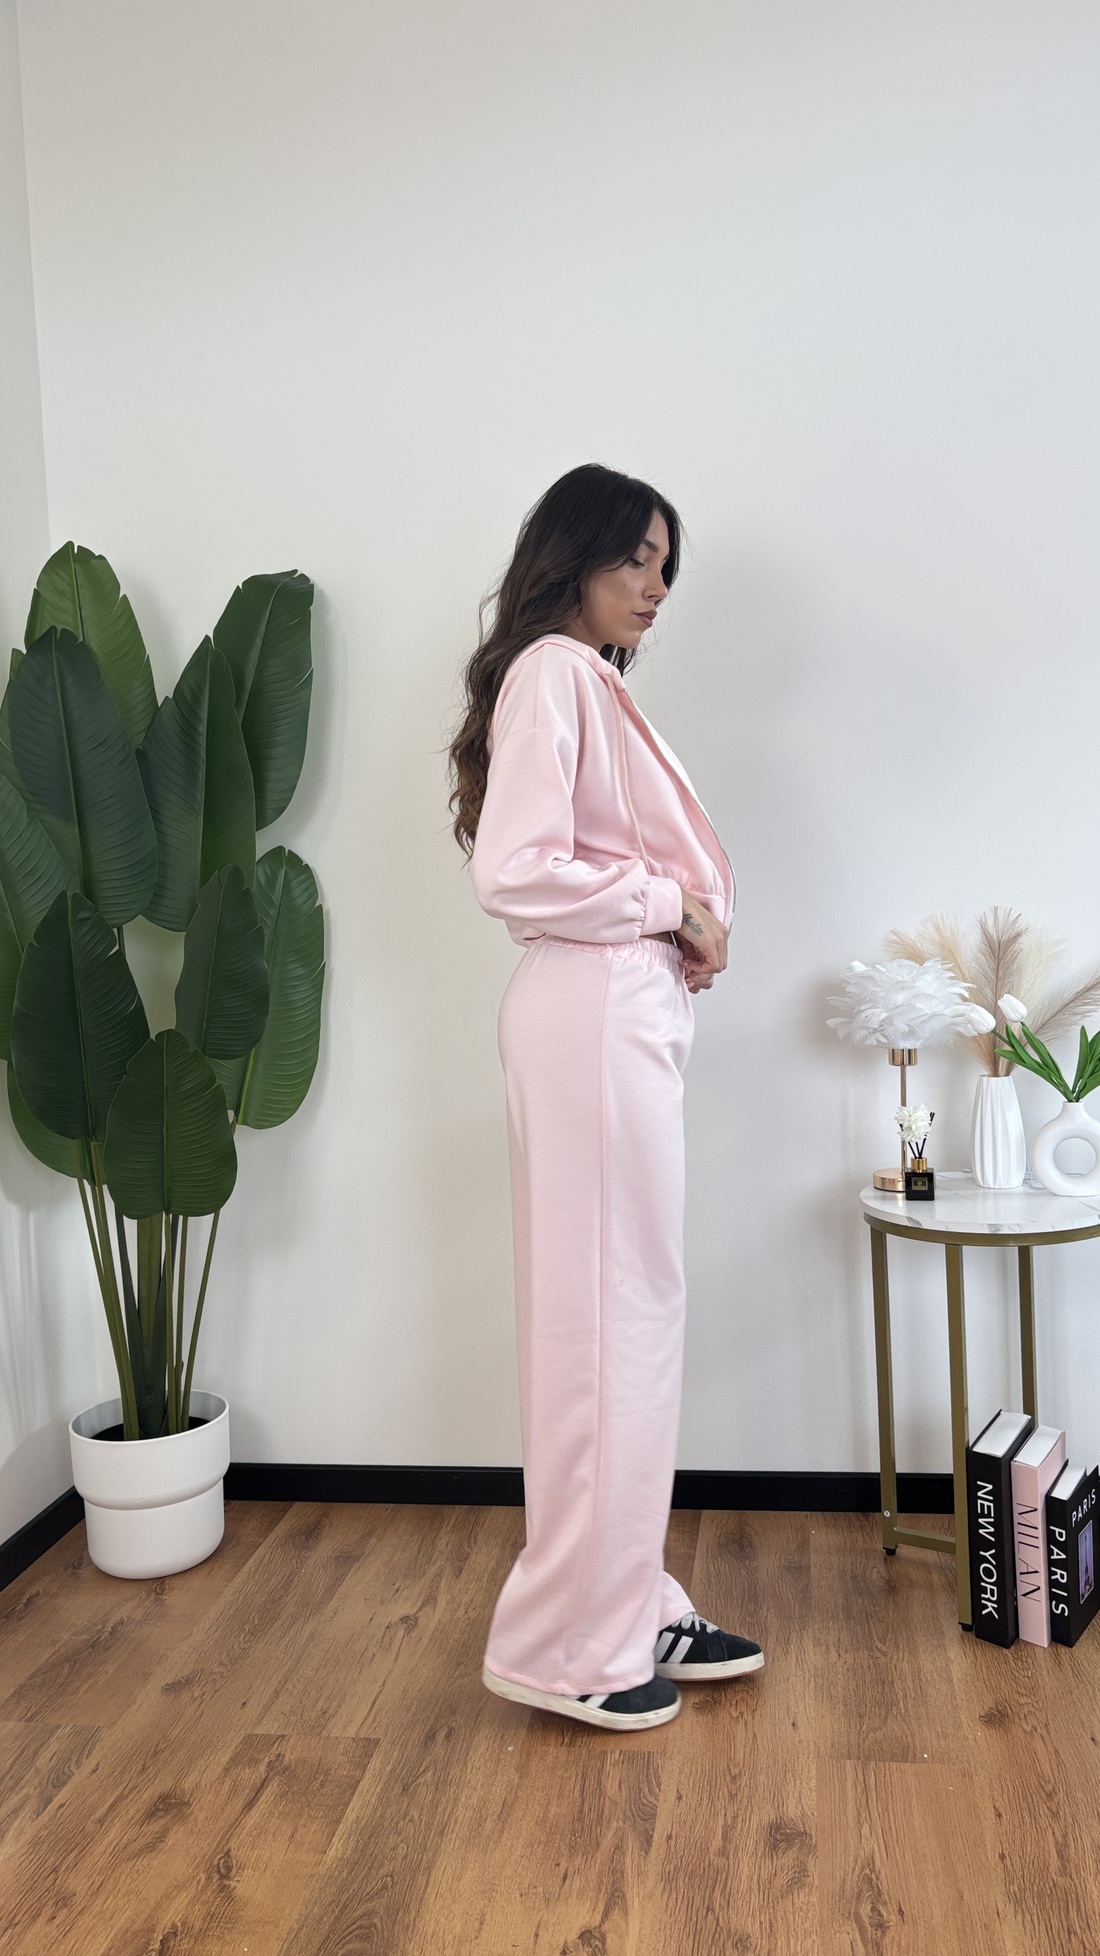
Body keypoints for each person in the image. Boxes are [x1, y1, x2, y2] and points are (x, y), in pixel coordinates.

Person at [448, 463, 763, 1732]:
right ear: (569, 554)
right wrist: (667, 904)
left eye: (665, 566)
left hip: (610, 1015)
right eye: (634, 557)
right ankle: (566, 1641)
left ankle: (623, 1601)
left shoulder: (580, 680)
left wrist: (683, 928)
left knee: (626, 1314)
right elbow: (515, 872)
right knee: (603, 1323)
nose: (654, 586)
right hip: (588, 1016)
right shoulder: (554, 671)